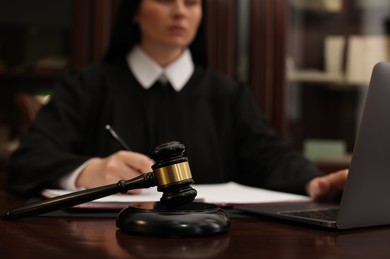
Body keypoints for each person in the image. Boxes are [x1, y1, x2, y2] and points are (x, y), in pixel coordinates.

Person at [6, 0, 347, 201]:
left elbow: (271, 155)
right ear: (134, 11)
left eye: (192, 2)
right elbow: (30, 160)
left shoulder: (228, 94)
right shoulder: (86, 85)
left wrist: (312, 181)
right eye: (167, 0)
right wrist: (88, 172)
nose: (181, 12)